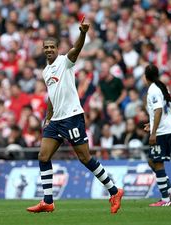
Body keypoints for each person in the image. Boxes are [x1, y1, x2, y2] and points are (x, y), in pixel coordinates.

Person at [26, 17, 123, 214]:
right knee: (43, 156)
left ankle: (114, 191)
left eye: (52, 47)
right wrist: (48, 116)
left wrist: (83, 33)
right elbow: (52, 96)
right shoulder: (45, 71)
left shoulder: (65, 62)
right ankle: (48, 201)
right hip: (56, 120)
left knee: (85, 158)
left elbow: (76, 49)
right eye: (46, 47)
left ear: (57, 48)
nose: (49, 50)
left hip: (72, 117)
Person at [143, 64, 171, 207]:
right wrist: (152, 123)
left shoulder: (153, 90)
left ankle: (165, 199)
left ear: (146, 77)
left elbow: (158, 111)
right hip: (168, 129)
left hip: (162, 132)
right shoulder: (163, 87)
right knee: (153, 162)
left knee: (157, 163)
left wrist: (154, 131)